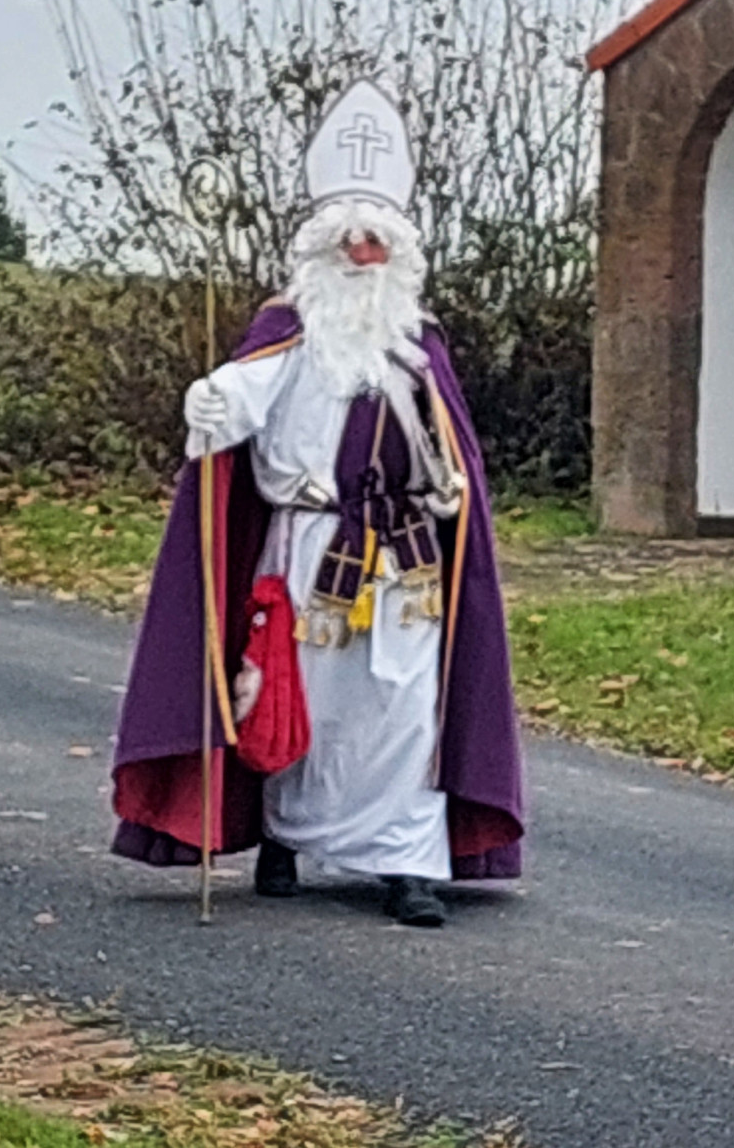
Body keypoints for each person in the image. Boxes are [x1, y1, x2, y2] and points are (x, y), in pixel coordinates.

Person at [109, 80, 524, 927]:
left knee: (404, 708)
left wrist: (449, 490)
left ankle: (407, 864)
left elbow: (453, 454)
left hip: (405, 558)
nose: (363, 253)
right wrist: (213, 402)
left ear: (398, 253)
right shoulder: (286, 333)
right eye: (348, 240)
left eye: (377, 241)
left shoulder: (419, 347)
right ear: (321, 250)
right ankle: (286, 839)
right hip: (305, 546)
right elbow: (243, 399)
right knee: (301, 700)